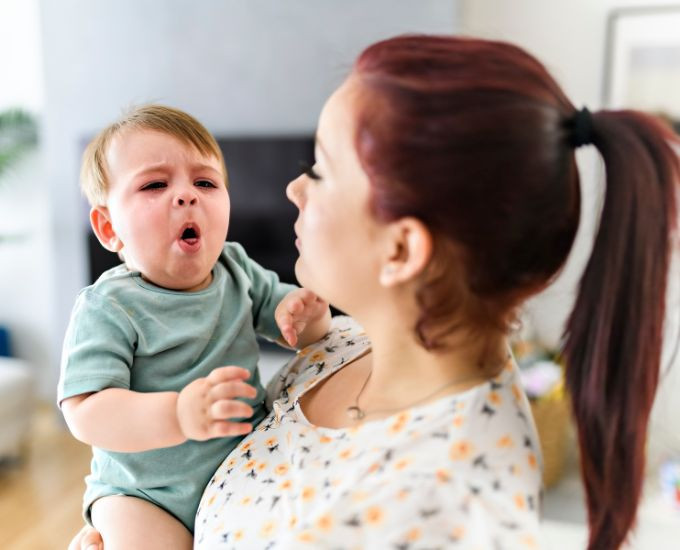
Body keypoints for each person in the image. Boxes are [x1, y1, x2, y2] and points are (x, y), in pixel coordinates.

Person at [71, 35, 679, 550]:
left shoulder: (436, 507)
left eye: (322, 168)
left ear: (401, 249)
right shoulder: (351, 345)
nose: (292, 189)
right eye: (154, 185)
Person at [58, 104, 331, 549]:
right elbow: (86, 413)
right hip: (143, 494)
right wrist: (178, 414)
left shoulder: (236, 267)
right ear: (109, 228)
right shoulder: (108, 306)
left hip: (242, 465)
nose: (187, 195)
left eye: (205, 182)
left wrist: (309, 314)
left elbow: (304, 335)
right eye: (154, 184)